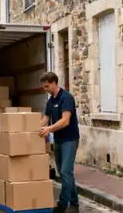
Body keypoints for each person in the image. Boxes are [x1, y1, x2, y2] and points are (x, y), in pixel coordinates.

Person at [38, 72, 80, 213]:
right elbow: (45, 119)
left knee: (66, 171)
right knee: (64, 173)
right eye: (44, 87)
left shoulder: (66, 98)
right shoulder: (51, 101)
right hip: (58, 140)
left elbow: (65, 120)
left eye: (47, 86)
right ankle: (74, 204)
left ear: (54, 83)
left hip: (70, 139)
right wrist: (31, 130)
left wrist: (49, 129)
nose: (45, 89)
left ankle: (63, 205)